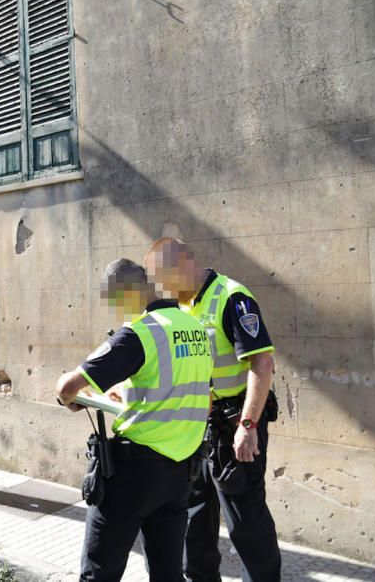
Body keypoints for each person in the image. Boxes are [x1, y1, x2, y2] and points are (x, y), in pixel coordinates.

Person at [56, 258, 212, 581]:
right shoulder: (196, 328)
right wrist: (127, 398)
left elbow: (67, 387)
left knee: (99, 572)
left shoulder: (139, 333)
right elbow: (188, 391)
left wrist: (68, 398)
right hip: (181, 472)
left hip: (134, 474)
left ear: (125, 292)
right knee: (168, 574)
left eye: (114, 300)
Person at [144, 237, 281, 582]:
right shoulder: (182, 307)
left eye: (165, 278)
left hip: (235, 425)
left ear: (184, 264)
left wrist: (248, 426)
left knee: (246, 522)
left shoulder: (231, 297)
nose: (163, 288)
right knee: (194, 521)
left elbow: (262, 363)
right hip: (198, 428)